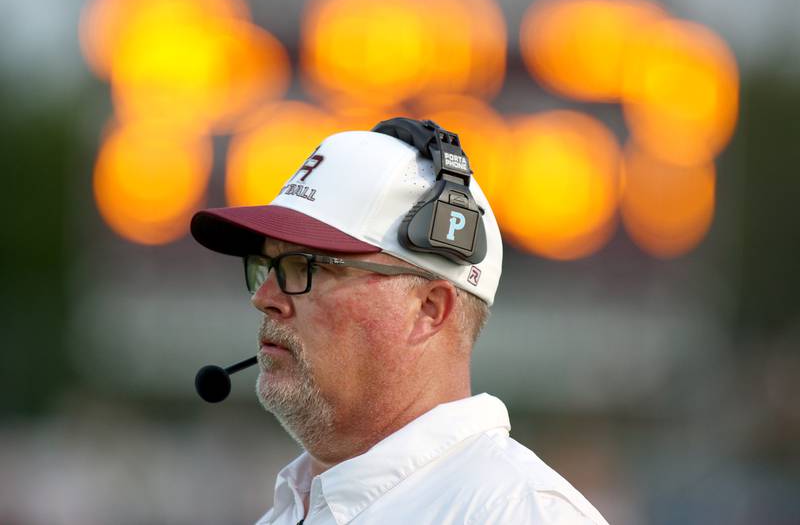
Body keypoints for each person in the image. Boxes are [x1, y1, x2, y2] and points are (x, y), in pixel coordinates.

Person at [190, 119, 610, 525]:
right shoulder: (290, 510)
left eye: (304, 268)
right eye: (266, 265)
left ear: (429, 309)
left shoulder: (518, 515)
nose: (264, 298)